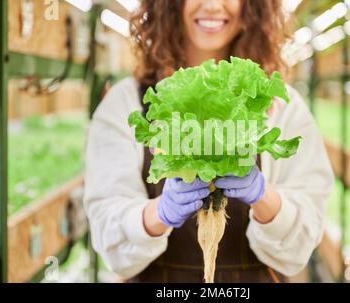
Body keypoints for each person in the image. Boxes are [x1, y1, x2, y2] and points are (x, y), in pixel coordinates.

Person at [84, 0, 334, 283]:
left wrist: (264, 198)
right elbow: (108, 231)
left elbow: (301, 241)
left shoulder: (279, 104)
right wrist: (158, 214)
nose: (214, 5)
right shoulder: (125, 102)